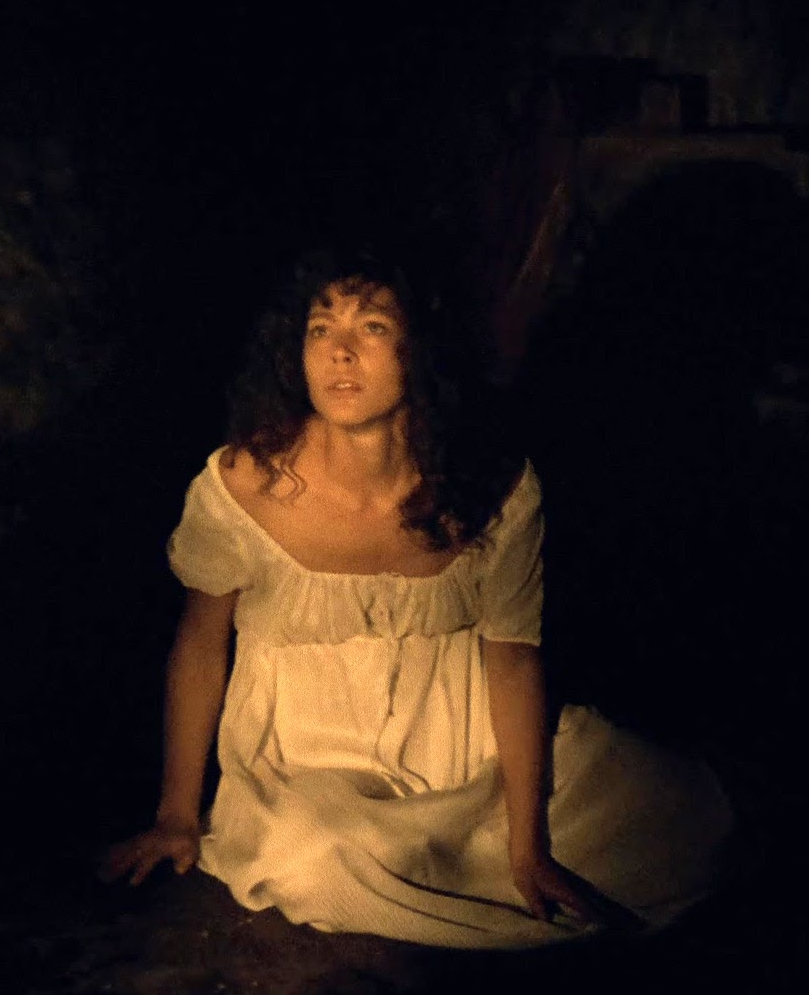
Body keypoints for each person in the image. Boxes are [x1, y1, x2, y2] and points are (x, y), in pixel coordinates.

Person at [101, 244, 733, 948]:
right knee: (315, 857)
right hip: (307, 771)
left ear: (423, 349)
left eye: (371, 327)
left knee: (673, 818)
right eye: (320, 328)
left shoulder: (492, 485)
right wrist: (177, 815)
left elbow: (512, 659)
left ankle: (471, 856)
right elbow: (199, 645)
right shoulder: (245, 483)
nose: (339, 352)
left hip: (463, 755)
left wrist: (527, 848)